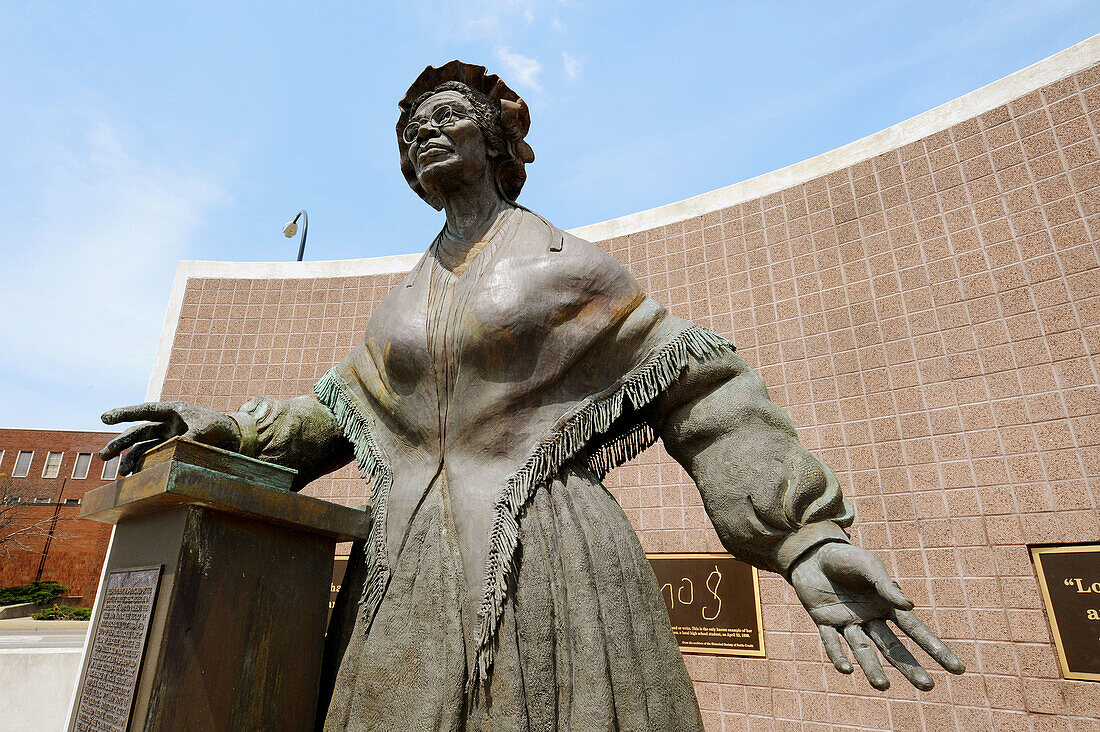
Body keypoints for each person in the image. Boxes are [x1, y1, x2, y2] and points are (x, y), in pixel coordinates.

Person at [101, 61, 964, 731]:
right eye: (411, 128)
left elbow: (703, 386)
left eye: (445, 117)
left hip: (547, 553)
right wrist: (223, 429)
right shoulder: (402, 298)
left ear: (492, 141)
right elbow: (337, 411)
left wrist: (802, 535)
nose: (424, 133)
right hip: (404, 566)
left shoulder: (568, 266)